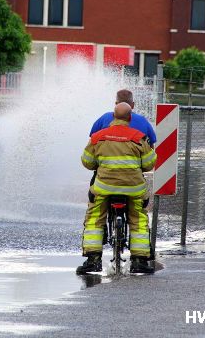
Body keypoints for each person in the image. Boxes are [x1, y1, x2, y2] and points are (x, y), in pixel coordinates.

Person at [77, 102, 157, 275]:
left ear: (113, 117)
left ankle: (93, 260)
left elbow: (87, 161)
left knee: (94, 217)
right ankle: (139, 261)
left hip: (104, 187)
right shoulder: (139, 137)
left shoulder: (98, 137)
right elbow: (150, 163)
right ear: (130, 118)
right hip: (133, 188)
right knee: (138, 218)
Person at [90, 89, 157, 147]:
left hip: (105, 160)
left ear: (116, 104)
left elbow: (92, 140)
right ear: (133, 105)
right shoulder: (143, 121)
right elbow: (151, 145)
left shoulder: (104, 118)